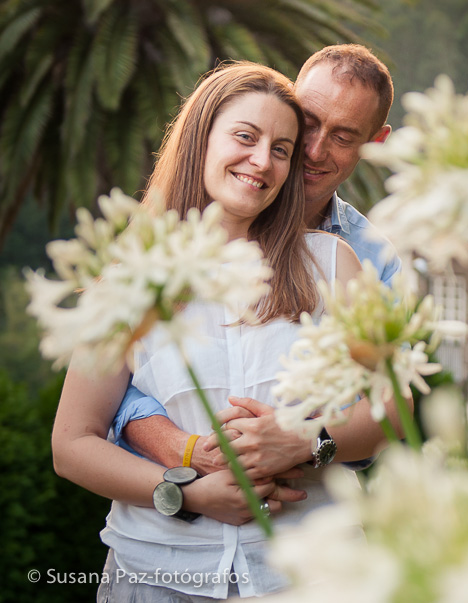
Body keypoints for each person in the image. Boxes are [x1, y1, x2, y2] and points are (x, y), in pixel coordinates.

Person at [51, 61, 398, 601]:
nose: (262, 161)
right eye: (244, 136)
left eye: (282, 149)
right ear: (200, 138)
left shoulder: (336, 263)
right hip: (156, 576)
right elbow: (72, 443)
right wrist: (187, 493)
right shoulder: (130, 281)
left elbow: (393, 408)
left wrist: (307, 441)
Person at [116, 44, 402, 477]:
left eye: (343, 137)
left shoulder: (368, 261)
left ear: (375, 144)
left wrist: (303, 443)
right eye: (307, 123)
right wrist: (185, 451)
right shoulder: (163, 247)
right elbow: (116, 392)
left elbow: (388, 409)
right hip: (171, 519)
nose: (315, 150)